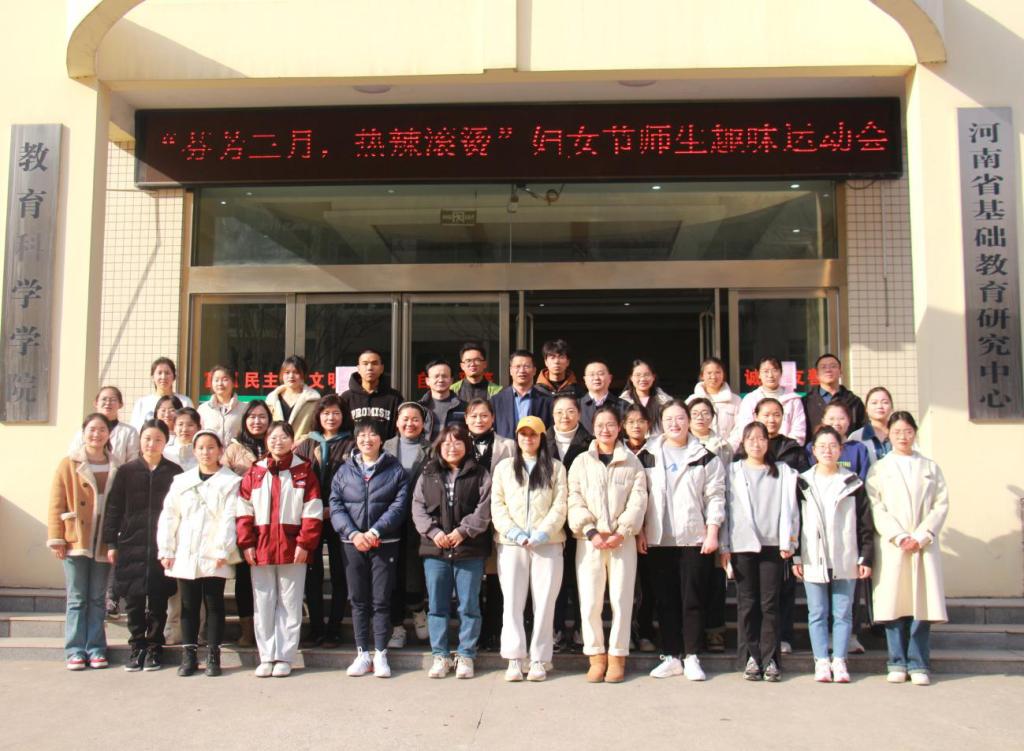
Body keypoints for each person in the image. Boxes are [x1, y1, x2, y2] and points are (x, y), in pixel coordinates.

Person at [641, 399, 726, 682]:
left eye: (680, 418)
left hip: (693, 538)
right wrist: (641, 531)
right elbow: (640, 496)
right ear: (660, 424)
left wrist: (712, 532)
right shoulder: (648, 454)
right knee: (665, 600)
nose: (674, 424)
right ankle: (671, 655)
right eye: (668, 419)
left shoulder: (705, 456)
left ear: (688, 421)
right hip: (658, 539)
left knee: (692, 599)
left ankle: (691, 655)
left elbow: (715, 497)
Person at [867, 412, 949, 686]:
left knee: (921, 605)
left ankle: (919, 662)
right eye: (897, 432)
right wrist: (900, 536)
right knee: (894, 604)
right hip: (894, 545)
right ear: (888, 435)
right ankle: (897, 661)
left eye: (907, 431)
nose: (903, 437)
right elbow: (876, 506)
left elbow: (941, 504)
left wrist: (922, 535)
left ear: (915, 433)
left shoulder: (930, 467)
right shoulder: (879, 468)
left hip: (922, 546)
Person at [568, 405, 648, 683]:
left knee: (621, 601)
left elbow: (639, 500)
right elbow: (574, 498)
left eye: (611, 424)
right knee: (590, 602)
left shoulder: (631, 462)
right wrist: (590, 530)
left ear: (619, 427)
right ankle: (595, 656)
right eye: (600, 425)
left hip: (621, 541)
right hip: (589, 541)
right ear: (593, 428)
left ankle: (617, 656)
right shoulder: (581, 461)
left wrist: (622, 531)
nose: (605, 429)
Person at [238, 421, 323, 678]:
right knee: (263, 603)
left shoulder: (303, 471)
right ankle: (266, 656)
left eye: (284, 437)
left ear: (292, 440)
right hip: (261, 547)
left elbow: (313, 511)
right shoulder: (255, 472)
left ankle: (285, 656)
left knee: (290, 603)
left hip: (293, 547)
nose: (278, 442)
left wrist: (305, 544)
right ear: (266, 441)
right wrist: (247, 543)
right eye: (273, 437)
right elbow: (243, 511)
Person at [794, 426, 874, 684]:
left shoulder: (853, 482)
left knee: (843, 613)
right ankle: (821, 660)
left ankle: (839, 660)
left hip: (845, 555)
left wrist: (865, 556)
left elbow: (865, 523)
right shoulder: (802, 482)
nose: (827, 450)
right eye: (822, 446)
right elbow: (795, 521)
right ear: (813, 451)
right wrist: (796, 556)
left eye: (832, 446)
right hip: (812, 555)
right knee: (817, 612)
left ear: (841, 450)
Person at [157, 430, 240, 677]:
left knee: (214, 604)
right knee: (188, 604)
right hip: (186, 550)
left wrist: (224, 548)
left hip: (215, 553)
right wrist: (166, 549)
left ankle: (213, 655)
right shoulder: (181, 481)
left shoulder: (231, 481)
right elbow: (169, 515)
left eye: (211, 447)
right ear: (194, 451)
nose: (206, 452)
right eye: (201, 448)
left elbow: (230, 517)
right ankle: (189, 655)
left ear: (220, 450)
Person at [330, 419, 409, 678]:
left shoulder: (395, 469)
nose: (367, 439)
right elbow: (336, 505)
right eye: (362, 435)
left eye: (373, 435)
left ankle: (380, 654)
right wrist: (353, 533)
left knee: (381, 599)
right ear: (356, 439)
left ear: (381, 439)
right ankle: (362, 653)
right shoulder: (344, 471)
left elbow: (399, 505)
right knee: (358, 600)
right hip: (352, 544)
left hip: (384, 543)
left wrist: (375, 531)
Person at [412, 424, 492, 679]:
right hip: (435, 550)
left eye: (457, 442)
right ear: (438, 447)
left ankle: (466, 654)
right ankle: (441, 655)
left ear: (466, 446)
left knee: (469, 605)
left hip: (469, 548)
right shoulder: (428, 473)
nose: (451, 447)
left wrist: (463, 531)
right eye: (446, 443)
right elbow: (418, 508)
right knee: (437, 605)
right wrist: (433, 532)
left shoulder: (479, 473)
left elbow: (484, 508)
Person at [721, 421, 799, 682]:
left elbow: (792, 511)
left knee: (770, 604)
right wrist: (724, 547)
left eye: (761, 438)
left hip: (773, 546)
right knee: (747, 603)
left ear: (768, 442)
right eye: (751, 439)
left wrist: (791, 542)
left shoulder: (783, 472)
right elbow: (725, 511)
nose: (756, 443)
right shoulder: (733, 471)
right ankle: (752, 657)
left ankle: (771, 658)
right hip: (742, 545)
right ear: (743, 443)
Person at [491, 416, 568, 682]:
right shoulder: (504, 468)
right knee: (512, 602)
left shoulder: (556, 468)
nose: (528, 439)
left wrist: (543, 532)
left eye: (533, 434)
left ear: (541, 438)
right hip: (512, 544)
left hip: (548, 543)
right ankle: (514, 657)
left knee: (545, 603)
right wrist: (514, 532)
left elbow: (560, 504)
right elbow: (497, 505)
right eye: (523, 434)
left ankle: (539, 659)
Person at [102, 419, 182, 672]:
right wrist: (111, 542)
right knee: (134, 600)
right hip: (131, 543)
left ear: (165, 442)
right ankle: (137, 646)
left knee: (158, 599)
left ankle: (155, 647)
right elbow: (113, 508)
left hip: (162, 545)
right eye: (147, 438)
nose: (152, 444)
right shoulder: (126, 471)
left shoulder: (174, 472)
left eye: (158, 439)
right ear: (140, 440)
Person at [48, 413, 120, 670]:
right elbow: (56, 502)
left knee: (98, 598)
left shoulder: (116, 465)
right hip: (76, 539)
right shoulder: (68, 463)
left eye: (102, 430)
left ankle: (97, 648)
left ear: (109, 434)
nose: (96, 434)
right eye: (92, 429)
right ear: (84, 432)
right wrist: (56, 538)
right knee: (77, 598)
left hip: (103, 540)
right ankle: (75, 650)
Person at [294, 394, 354, 648]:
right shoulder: (306, 445)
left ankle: (334, 629)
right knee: (312, 574)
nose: (331, 418)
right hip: (311, 518)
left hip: (341, 517)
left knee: (340, 574)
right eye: (326, 413)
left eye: (336, 413)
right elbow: (297, 481)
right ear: (318, 416)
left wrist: (333, 509)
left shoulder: (352, 444)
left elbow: (354, 483)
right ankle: (316, 627)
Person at [753, 396, 809, 656]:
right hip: (756, 527)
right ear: (756, 416)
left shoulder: (792, 449)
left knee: (785, 585)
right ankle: (757, 637)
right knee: (757, 589)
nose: (771, 419)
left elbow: (803, 486)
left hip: (784, 523)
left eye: (776, 414)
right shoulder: (748, 447)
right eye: (766, 414)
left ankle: (784, 635)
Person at [463, 397, 516, 651]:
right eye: (474, 416)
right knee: (471, 578)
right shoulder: (458, 443)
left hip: (498, 519)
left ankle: (493, 630)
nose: (479, 420)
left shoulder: (509, 446)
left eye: (484, 415)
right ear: (466, 419)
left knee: (496, 577)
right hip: (467, 519)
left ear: (493, 418)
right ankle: (472, 632)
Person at [221, 399, 272, 647]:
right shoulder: (234, 449)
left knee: (269, 577)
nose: (257, 421)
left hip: (272, 522)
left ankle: (268, 629)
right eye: (252, 416)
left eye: (262, 416)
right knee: (244, 577)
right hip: (244, 520)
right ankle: (247, 630)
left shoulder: (277, 444)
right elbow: (222, 482)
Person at [383, 402, 433, 649]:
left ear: (423, 424)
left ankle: (418, 610)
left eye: (415, 419)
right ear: (397, 422)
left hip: (419, 521)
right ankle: (397, 627)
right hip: (390, 520)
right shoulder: (385, 448)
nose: (410, 423)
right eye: (405, 419)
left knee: (414, 570)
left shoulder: (432, 449)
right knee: (391, 574)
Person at [688, 396, 733, 654]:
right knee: (693, 581)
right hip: (690, 519)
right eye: (695, 413)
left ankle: (715, 631)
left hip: (717, 516)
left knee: (716, 580)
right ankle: (692, 633)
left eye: (706, 413)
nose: (701, 417)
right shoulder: (679, 444)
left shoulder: (723, 446)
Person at [547, 396, 592, 654]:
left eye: (570, 411)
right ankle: (555, 628)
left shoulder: (590, 443)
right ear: (552, 415)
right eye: (559, 412)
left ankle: (580, 628)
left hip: (581, 520)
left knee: (580, 577)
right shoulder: (542, 441)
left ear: (579, 414)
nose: (565, 416)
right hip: (551, 521)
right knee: (554, 578)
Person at [622, 404, 657, 653]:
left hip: (651, 526)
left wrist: (643, 527)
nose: (636, 425)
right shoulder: (618, 451)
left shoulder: (657, 451)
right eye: (631, 421)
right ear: (623, 426)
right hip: (622, 528)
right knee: (624, 587)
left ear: (649, 425)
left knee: (646, 585)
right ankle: (625, 634)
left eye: (641, 421)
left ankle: (644, 631)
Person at [731, 357, 807, 448]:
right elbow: (745, 430)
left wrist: (785, 449)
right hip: (757, 451)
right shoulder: (750, 399)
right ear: (758, 374)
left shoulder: (793, 400)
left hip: (787, 451)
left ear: (781, 373)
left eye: (775, 370)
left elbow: (799, 431)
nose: (770, 375)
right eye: (766, 371)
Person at [340, 348, 405, 440]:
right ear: (358, 368)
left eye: (374, 363)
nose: (370, 368)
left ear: (381, 368)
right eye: (365, 364)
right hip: (353, 448)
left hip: (387, 448)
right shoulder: (346, 398)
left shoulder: (394, 397)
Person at [68, 386, 139, 465]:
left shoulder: (129, 432)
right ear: (96, 403)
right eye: (104, 399)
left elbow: (133, 460)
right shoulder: (85, 431)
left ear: (120, 404)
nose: (108, 403)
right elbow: (73, 456)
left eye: (113, 400)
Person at [491, 349, 553, 438]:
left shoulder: (546, 401)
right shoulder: (496, 401)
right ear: (510, 370)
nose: (522, 370)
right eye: (517, 366)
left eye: (526, 366)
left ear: (534, 370)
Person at [803, 354, 866, 439]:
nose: (828, 370)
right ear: (817, 374)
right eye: (823, 367)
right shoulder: (806, 402)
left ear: (840, 372)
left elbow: (861, 430)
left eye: (833, 366)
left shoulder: (854, 401)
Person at [807, 402, 871, 481]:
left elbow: (863, 478)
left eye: (841, 419)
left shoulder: (859, 449)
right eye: (831, 419)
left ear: (849, 421)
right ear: (823, 421)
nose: (836, 423)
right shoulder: (813, 447)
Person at [266, 355, 321, 444]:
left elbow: (318, 430)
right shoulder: (272, 400)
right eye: (287, 372)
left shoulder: (313, 400)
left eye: (296, 372)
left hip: (302, 449)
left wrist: (301, 441)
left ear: (303, 375)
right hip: (276, 448)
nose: (291, 376)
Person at [686, 357, 742, 439]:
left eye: (717, 372)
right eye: (709, 373)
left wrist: (728, 445)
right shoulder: (691, 400)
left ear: (723, 375)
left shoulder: (736, 400)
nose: (713, 376)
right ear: (702, 376)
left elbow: (740, 427)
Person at [130, 357, 193, 429]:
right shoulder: (142, 402)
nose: (163, 377)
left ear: (174, 377)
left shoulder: (185, 401)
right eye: (159, 373)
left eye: (167, 373)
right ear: (152, 377)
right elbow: (135, 428)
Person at [619, 358, 672, 433]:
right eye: (638, 375)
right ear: (631, 378)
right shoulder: (623, 402)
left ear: (653, 377)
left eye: (647, 375)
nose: (642, 379)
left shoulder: (664, 401)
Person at [197, 365, 246, 445]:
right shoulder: (203, 409)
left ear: (233, 382)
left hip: (235, 452)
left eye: (225, 380)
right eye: (216, 380)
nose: (220, 383)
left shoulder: (244, 408)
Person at [419, 359, 466, 439]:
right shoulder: (419, 408)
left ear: (451, 380)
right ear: (427, 381)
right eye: (436, 376)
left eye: (444, 376)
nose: (440, 380)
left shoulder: (464, 407)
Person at [849, 386, 895, 465]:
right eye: (874, 403)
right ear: (866, 409)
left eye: (885, 402)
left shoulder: (900, 435)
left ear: (892, 407)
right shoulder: (856, 437)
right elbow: (848, 464)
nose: (880, 406)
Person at [579, 360, 625, 433]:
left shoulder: (624, 406)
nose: (596, 378)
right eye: (592, 374)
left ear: (610, 378)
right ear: (585, 379)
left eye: (601, 374)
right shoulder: (576, 406)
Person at [163, 407, 201, 472]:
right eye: (180, 424)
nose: (184, 429)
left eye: (190, 425)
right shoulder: (165, 452)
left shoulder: (203, 454)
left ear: (199, 428)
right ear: (174, 427)